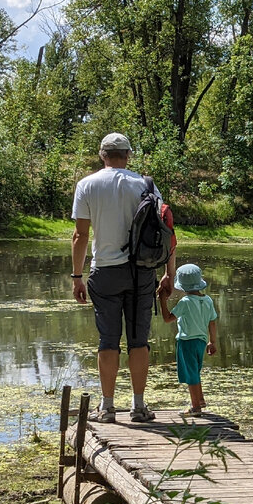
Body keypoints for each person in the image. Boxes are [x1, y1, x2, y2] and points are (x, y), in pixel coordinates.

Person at [71, 132, 175, 423]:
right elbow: (164, 231)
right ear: (129, 155)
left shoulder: (87, 185)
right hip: (142, 271)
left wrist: (77, 276)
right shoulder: (146, 186)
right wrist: (168, 272)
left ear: (102, 154)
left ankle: (106, 407)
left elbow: (80, 235)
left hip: (105, 272)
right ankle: (139, 406)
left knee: (108, 340)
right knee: (139, 340)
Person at [158, 263, 218, 415]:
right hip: (201, 342)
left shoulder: (185, 302)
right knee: (195, 371)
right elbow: (212, 321)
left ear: (182, 286)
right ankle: (201, 400)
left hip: (187, 342)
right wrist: (212, 342)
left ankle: (195, 407)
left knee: (191, 374)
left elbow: (167, 319)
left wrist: (162, 300)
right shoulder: (208, 300)